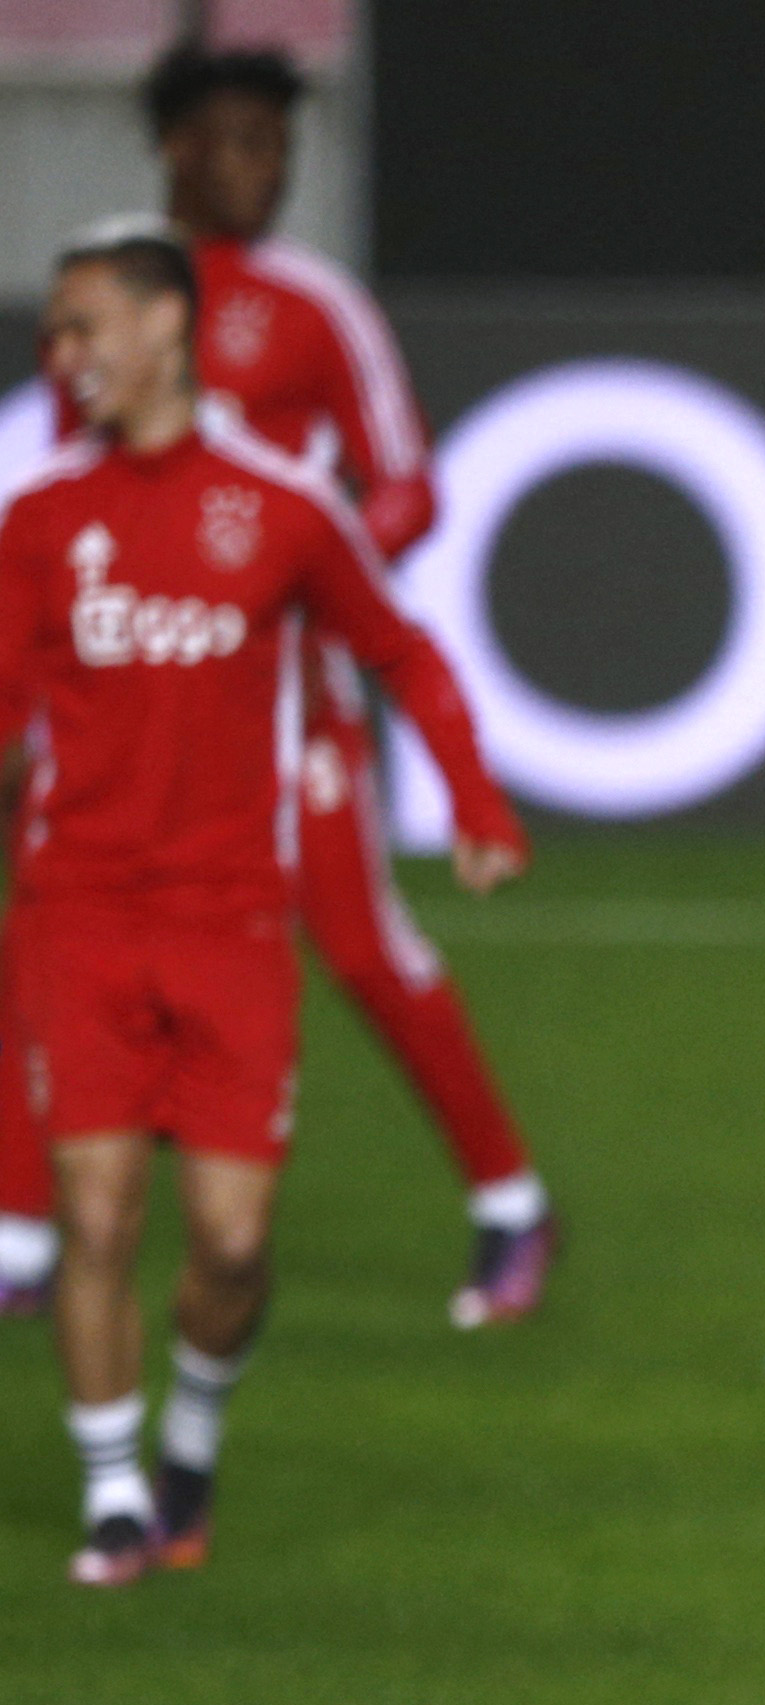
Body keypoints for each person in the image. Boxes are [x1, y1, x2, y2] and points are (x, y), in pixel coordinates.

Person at [0, 222, 524, 1584]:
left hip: (233, 919)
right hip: (83, 912)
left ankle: (192, 1436)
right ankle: (116, 1491)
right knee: (100, 1211)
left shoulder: (283, 503)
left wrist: (474, 799)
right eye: (53, 334)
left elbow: (403, 651)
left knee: (231, 1245)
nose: (61, 355)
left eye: (82, 325)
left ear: (165, 328)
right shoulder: (42, 518)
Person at [0, 41, 551, 1334]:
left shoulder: (316, 306)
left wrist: (301, 569)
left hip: (283, 689)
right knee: (57, 931)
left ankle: (510, 1197)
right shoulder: (112, 299)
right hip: (127, 686)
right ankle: (29, 1228)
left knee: (360, 941)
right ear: (175, 151)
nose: (260, 168)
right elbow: (59, 489)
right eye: (235, 141)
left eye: (278, 148)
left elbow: (406, 477)